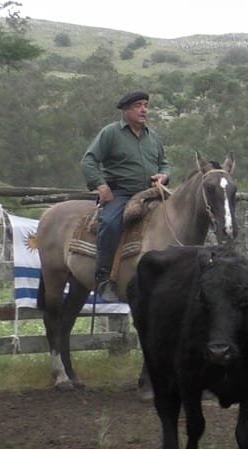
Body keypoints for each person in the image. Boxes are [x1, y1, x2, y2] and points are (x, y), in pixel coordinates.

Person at [80, 90, 171, 302]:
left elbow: (164, 163)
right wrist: (101, 186)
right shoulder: (111, 133)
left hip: (150, 192)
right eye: (138, 105)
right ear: (125, 110)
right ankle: (104, 278)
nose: (144, 110)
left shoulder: (153, 137)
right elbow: (89, 161)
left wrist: (164, 175)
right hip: (120, 192)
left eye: (145, 105)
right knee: (111, 223)